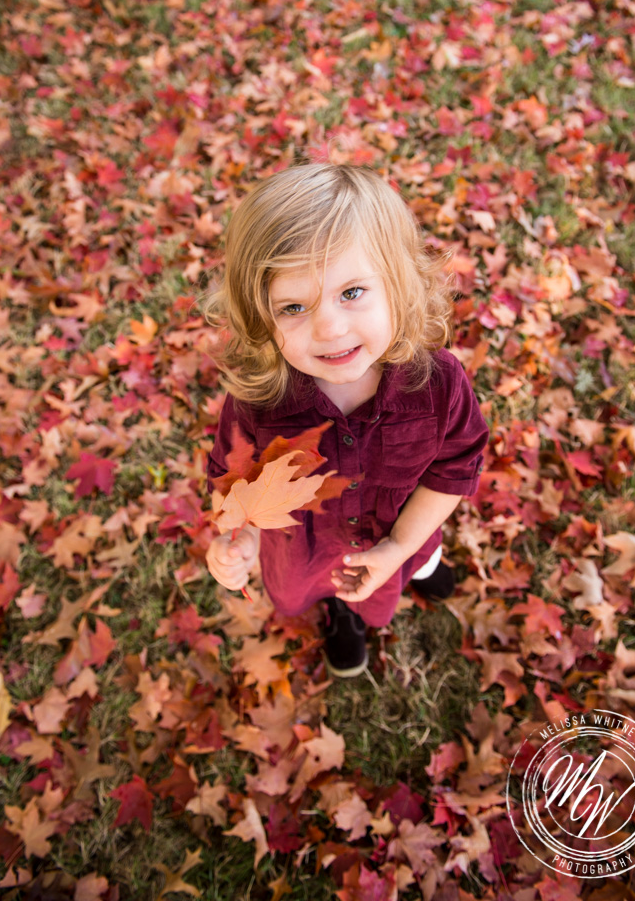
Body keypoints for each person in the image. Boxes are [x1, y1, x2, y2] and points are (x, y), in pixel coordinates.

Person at [202, 163, 489, 678]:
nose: (330, 328)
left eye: (351, 293)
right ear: (258, 316)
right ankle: (342, 614)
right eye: (293, 307)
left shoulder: (438, 383)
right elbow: (233, 482)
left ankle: (418, 565)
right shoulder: (258, 401)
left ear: (397, 282)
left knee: (411, 560)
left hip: (402, 528)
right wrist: (238, 539)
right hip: (305, 553)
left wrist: (399, 548)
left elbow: (455, 467)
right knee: (331, 589)